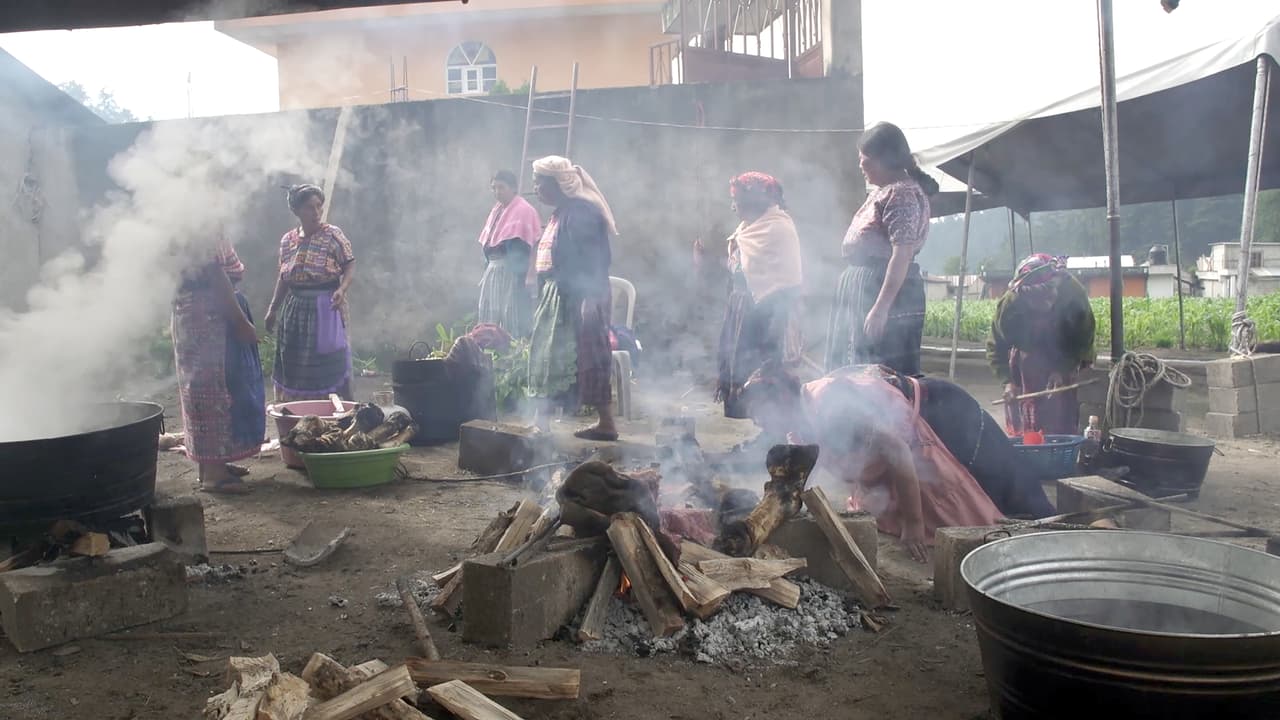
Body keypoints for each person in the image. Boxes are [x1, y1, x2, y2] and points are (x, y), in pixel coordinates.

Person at [742, 362, 1055, 562]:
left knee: (1018, 496)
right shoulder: (800, 421)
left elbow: (897, 451)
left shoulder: (831, 407)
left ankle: (1088, 533)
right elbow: (802, 476)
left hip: (947, 417)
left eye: (759, 409)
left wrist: (913, 525)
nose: (757, 420)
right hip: (916, 431)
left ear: (781, 399)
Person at [826, 122, 939, 376]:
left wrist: (880, 309)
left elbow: (902, 253)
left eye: (865, 161)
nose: (860, 167)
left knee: (876, 376)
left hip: (882, 290)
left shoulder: (903, 194)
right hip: (863, 287)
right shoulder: (883, 191)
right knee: (852, 373)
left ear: (886, 160)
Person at [527, 155, 618, 441]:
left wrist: (589, 299)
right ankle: (543, 420)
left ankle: (605, 424)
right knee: (547, 357)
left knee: (589, 357)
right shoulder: (563, 212)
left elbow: (594, 259)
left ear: (558, 184)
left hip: (580, 298)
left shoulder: (580, 213)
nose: (535, 188)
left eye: (540, 182)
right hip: (560, 296)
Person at [172, 240, 266, 494]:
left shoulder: (187, 221)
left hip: (193, 311)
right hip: (210, 315)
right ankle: (214, 475)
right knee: (217, 389)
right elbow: (215, 274)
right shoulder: (198, 224)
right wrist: (240, 322)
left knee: (202, 391)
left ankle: (213, 465)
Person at [715, 172, 804, 419]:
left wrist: (775, 324)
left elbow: (785, 281)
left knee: (767, 376)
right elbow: (741, 269)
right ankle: (763, 437)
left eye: (739, 201)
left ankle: (776, 436)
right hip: (744, 311)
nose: (734, 207)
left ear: (755, 201)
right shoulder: (747, 228)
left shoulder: (778, 228)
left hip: (772, 314)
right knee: (743, 375)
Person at [264, 184, 356, 402]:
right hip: (295, 310)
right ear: (296, 211)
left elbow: (350, 264)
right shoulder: (288, 241)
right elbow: (284, 277)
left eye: (318, 207)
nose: (315, 213)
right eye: (309, 208)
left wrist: (342, 289)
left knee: (331, 361)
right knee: (295, 363)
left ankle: (344, 413)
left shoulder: (333, 235)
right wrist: (273, 309)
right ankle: (301, 414)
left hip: (326, 306)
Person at [988, 253, 1096, 436]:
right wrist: (1007, 381)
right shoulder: (1009, 306)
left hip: (1067, 351)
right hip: (1027, 358)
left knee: (1059, 407)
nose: (1042, 305)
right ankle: (1025, 440)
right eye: (1035, 301)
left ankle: (1060, 441)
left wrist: (1062, 369)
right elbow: (995, 346)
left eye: (1047, 299)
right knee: (1025, 408)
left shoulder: (1073, 295)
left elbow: (1082, 340)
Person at [477, 170, 542, 337]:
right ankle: (490, 350)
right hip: (493, 270)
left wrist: (529, 274)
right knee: (491, 313)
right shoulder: (497, 210)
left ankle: (514, 353)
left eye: (501, 187)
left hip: (512, 271)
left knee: (511, 314)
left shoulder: (524, 210)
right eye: (494, 188)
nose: (497, 192)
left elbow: (534, 243)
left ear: (513, 188)